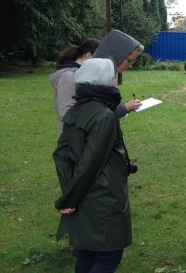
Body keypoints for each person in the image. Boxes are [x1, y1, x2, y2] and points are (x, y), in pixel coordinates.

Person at [53, 58, 135, 273]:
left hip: (82, 193)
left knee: (87, 251)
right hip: (103, 195)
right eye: (112, 77)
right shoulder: (104, 115)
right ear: (103, 81)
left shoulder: (75, 110)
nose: (115, 80)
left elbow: (61, 156)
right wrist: (68, 198)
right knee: (109, 254)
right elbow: (91, 163)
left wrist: (69, 192)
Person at [50, 39, 101, 134]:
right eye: (99, 58)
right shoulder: (68, 76)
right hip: (72, 137)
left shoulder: (83, 74)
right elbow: (66, 112)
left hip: (85, 132)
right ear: (89, 55)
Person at [93, 29, 145, 117]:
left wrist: (123, 106)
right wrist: (124, 108)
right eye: (129, 61)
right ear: (117, 55)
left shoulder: (103, 76)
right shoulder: (93, 79)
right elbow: (96, 115)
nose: (130, 66)